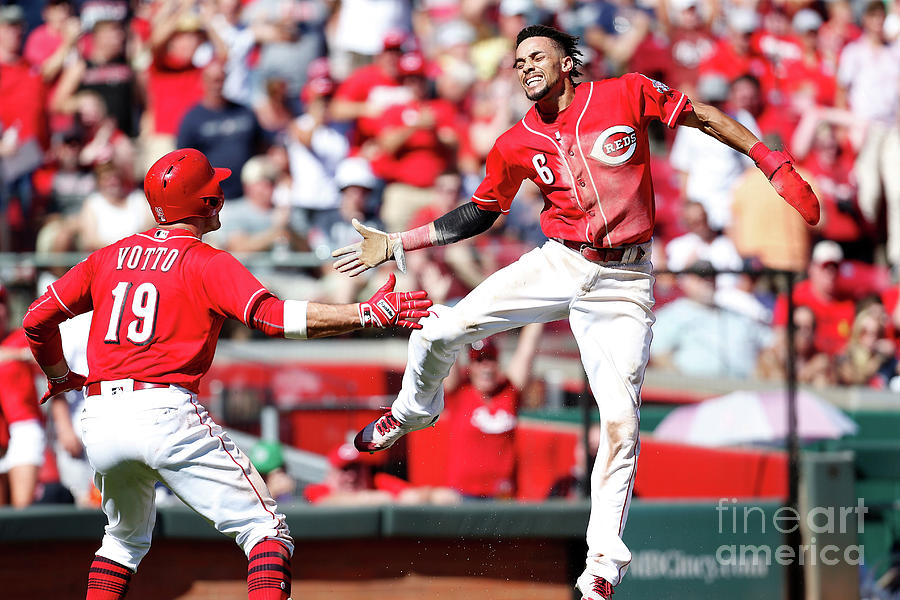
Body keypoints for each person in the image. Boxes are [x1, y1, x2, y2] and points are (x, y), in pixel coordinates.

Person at [332, 24, 819, 599]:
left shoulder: (624, 93)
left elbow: (705, 117)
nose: (525, 67)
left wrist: (772, 161)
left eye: (536, 56)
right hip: (560, 260)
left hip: (625, 280)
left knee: (619, 421)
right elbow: (482, 210)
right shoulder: (516, 139)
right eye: (517, 62)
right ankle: (411, 413)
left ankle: (601, 569)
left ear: (568, 61)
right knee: (441, 329)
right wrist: (397, 243)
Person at [22, 148, 432, 600]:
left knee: (120, 543)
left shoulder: (109, 256)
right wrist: (367, 314)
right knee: (266, 531)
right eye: (214, 189)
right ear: (206, 204)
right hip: (163, 408)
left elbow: (36, 319)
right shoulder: (206, 261)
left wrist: (59, 376)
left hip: (100, 417)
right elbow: (276, 320)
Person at [443, 324, 543, 500]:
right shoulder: (459, 392)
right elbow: (446, 348)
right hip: (463, 495)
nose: (486, 367)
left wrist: (544, 308)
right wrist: (439, 302)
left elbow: (527, 349)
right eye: (479, 360)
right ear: (470, 366)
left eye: (491, 359)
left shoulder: (508, 392)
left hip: (501, 496)